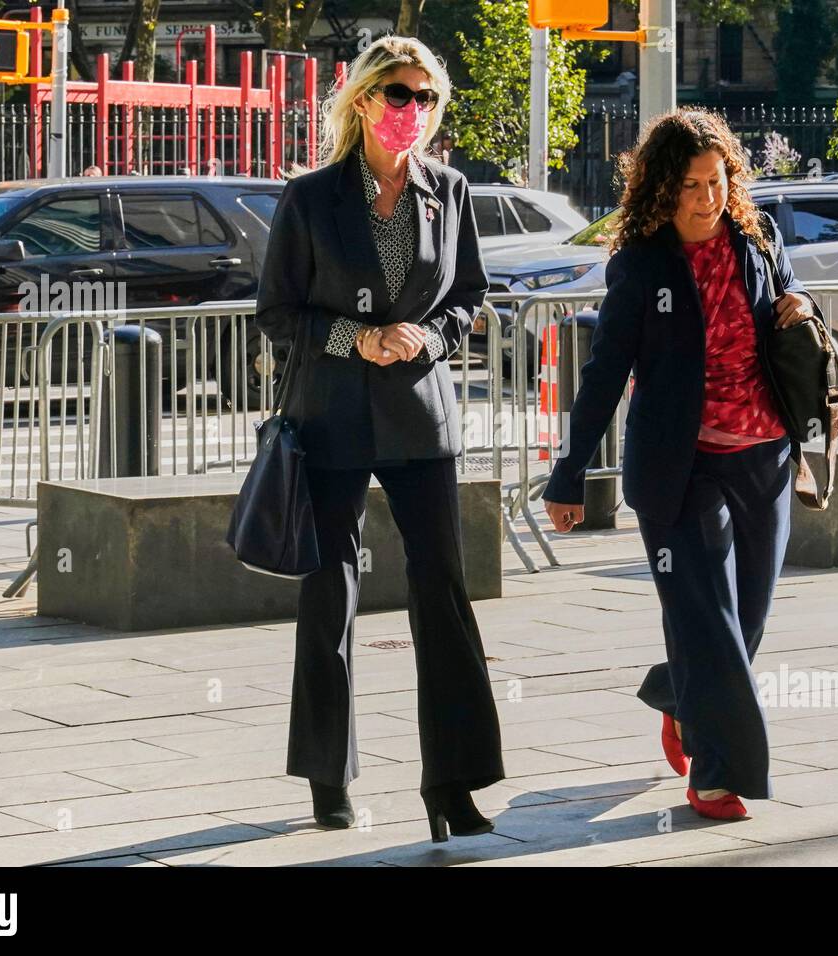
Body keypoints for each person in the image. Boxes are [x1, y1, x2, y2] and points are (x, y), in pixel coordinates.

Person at [254, 35, 504, 843]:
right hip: (330, 418)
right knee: (331, 594)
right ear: (362, 101)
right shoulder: (312, 197)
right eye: (399, 95)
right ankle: (329, 778)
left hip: (421, 418)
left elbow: (467, 297)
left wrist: (428, 341)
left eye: (427, 98)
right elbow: (278, 315)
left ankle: (454, 786)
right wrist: (352, 340)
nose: (414, 112)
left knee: (444, 596)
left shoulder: (450, 190)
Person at [542, 108, 821, 821]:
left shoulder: (758, 242)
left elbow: (793, 309)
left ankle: (679, 695)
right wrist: (568, 473)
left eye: (718, 179)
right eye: (692, 184)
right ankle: (717, 775)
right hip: (680, 467)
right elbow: (605, 374)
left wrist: (800, 302)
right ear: (664, 190)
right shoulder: (641, 267)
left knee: (745, 621)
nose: (708, 197)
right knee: (711, 621)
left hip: (763, 454)